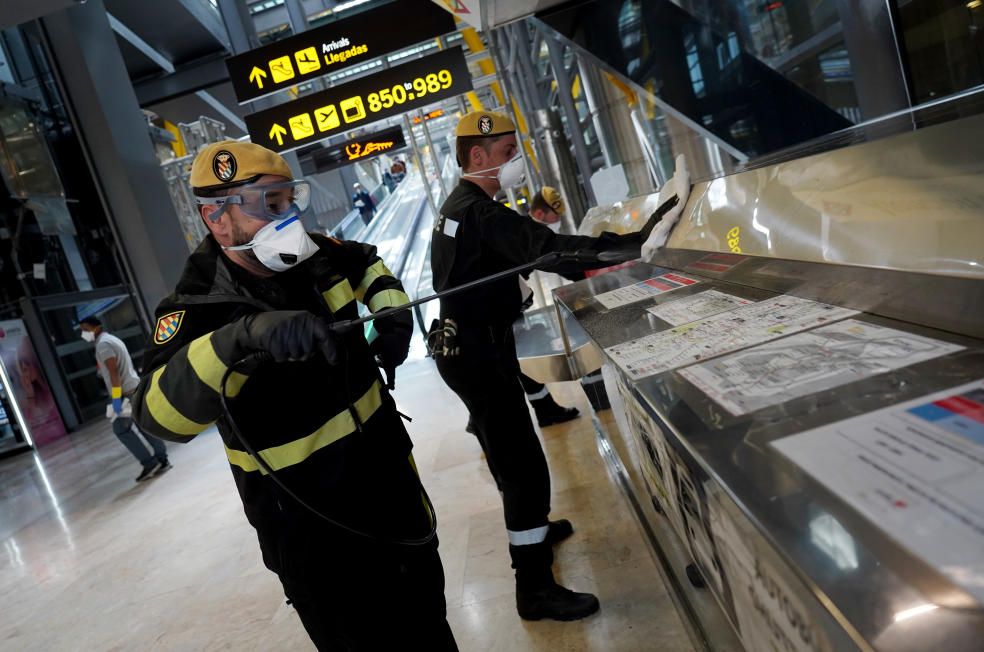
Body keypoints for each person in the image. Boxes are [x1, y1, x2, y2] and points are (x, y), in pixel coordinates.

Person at [132, 141, 457, 651]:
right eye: (270, 205)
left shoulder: (318, 258)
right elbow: (157, 416)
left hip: (391, 491)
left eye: (289, 200)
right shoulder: (195, 311)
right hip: (315, 536)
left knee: (431, 630)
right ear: (216, 218)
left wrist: (392, 316)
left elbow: (370, 266)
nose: (289, 219)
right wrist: (242, 338)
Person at [431, 110, 673, 622]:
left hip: (466, 348)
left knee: (508, 457)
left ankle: (534, 530)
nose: (514, 161)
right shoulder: (479, 212)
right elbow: (549, 248)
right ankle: (534, 588)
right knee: (522, 466)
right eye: (506, 152)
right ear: (478, 156)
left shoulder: (461, 206)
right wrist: (631, 246)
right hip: (478, 352)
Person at [80, 316, 171, 482]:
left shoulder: (103, 345)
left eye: (85, 329)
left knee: (121, 430)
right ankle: (162, 459)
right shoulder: (111, 339)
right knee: (143, 425)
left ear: (96, 327)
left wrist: (115, 400)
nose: (83, 334)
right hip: (133, 388)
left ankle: (150, 463)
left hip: (124, 394)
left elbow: (114, 373)